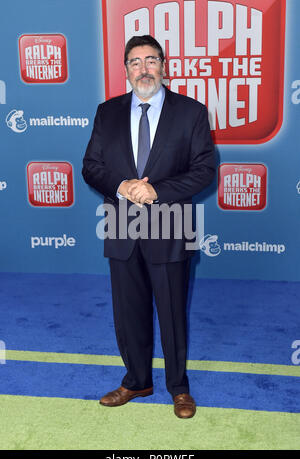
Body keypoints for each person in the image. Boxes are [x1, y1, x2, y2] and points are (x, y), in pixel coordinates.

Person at [82, 35, 215, 419]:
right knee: (128, 311)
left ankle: (179, 387)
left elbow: (203, 170)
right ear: (126, 70)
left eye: (151, 60)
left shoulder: (191, 112)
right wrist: (122, 186)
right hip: (121, 226)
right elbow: (91, 166)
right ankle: (137, 379)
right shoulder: (107, 112)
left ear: (164, 65)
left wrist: (157, 190)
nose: (144, 68)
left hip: (171, 226)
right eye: (135, 62)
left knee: (172, 312)